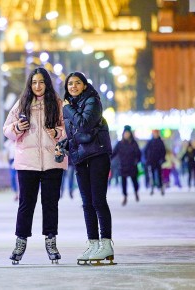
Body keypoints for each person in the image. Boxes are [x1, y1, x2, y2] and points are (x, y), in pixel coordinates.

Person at [3, 67, 67, 265]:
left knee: (50, 204)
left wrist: (58, 133)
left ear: (47, 83)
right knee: (26, 204)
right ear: (29, 85)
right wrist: (16, 128)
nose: (37, 86)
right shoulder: (22, 104)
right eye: (34, 82)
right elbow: (7, 129)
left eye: (41, 82)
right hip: (27, 162)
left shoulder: (57, 104)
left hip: (52, 161)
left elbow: (68, 129)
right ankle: (20, 242)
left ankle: (51, 241)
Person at [60, 72, 114, 266]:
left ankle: (106, 244)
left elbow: (84, 125)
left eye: (77, 83)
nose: (73, 86)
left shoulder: (93, 101)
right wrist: (65, 145)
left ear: (84, 85)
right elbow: (77, 135)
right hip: (81, 158)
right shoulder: (71, 106)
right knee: (87, 203)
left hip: (97, 156)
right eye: (70, 84)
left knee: (98, 201)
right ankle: (93, 244)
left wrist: (67, 111)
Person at [111, 125, 141, 206]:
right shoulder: (120, 144)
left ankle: (136, 192)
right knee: (123, 183)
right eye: (125, 133)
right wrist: (107, 159)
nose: (126, 135)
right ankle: (124, 196)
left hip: (132, 166)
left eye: (128, 133)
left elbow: (138, 154)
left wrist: (137, 161)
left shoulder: (134, 143)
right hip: (123, 166)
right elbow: (113, 153)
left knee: (134, 181)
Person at [144, 130, 166, 195]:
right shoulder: (150, 142)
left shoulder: (160, 142)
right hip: (151, 161)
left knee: (159, 175)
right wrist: (147, 159)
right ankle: (152, 188)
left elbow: (163, 151)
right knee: (152, 175)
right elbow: (145, 151)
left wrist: (162, 159)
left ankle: (161, 187)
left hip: (158, 161)